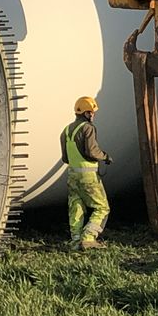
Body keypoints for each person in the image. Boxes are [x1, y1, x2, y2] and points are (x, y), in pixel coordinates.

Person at [60, 96, 112, 250]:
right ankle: (88, 238)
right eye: (92, 112)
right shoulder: (88, 128)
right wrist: (106, 157)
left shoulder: (66, 131)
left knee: (76, 206)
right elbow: (92, 151)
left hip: (72, 176)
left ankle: (75, 241)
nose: (94, 115)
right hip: (88, 177)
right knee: (102, 207)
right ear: (86, 113)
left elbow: (65, 158)